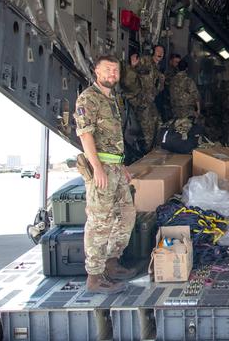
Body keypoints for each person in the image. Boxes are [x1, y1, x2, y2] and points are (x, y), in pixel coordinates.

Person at [74, 55, 136, 294]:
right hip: (101, 171)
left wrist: (121, 165)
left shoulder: (111, 99)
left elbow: (112, 140)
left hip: (115, 168)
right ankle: (95, 277)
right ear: (96, 71)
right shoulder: (88, 98)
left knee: (126, 215)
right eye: (108, 69)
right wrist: (97, 167)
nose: (112, 74)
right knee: (100, 223)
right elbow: (85, 135)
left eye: (116, 70)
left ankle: (112, 262)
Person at [130, 45, 164, 149]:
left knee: (159, 123)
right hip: (141, 101)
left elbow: (158, 88)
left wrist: (161, 80)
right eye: (158, 51)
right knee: (147, 129)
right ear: (153, 52)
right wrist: (133, 65)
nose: (160, 54)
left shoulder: (157, 68)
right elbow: (134, 71)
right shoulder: (145, 60)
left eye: (162, 52)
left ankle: (153, 149)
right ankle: (145, 152)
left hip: (149, 101)